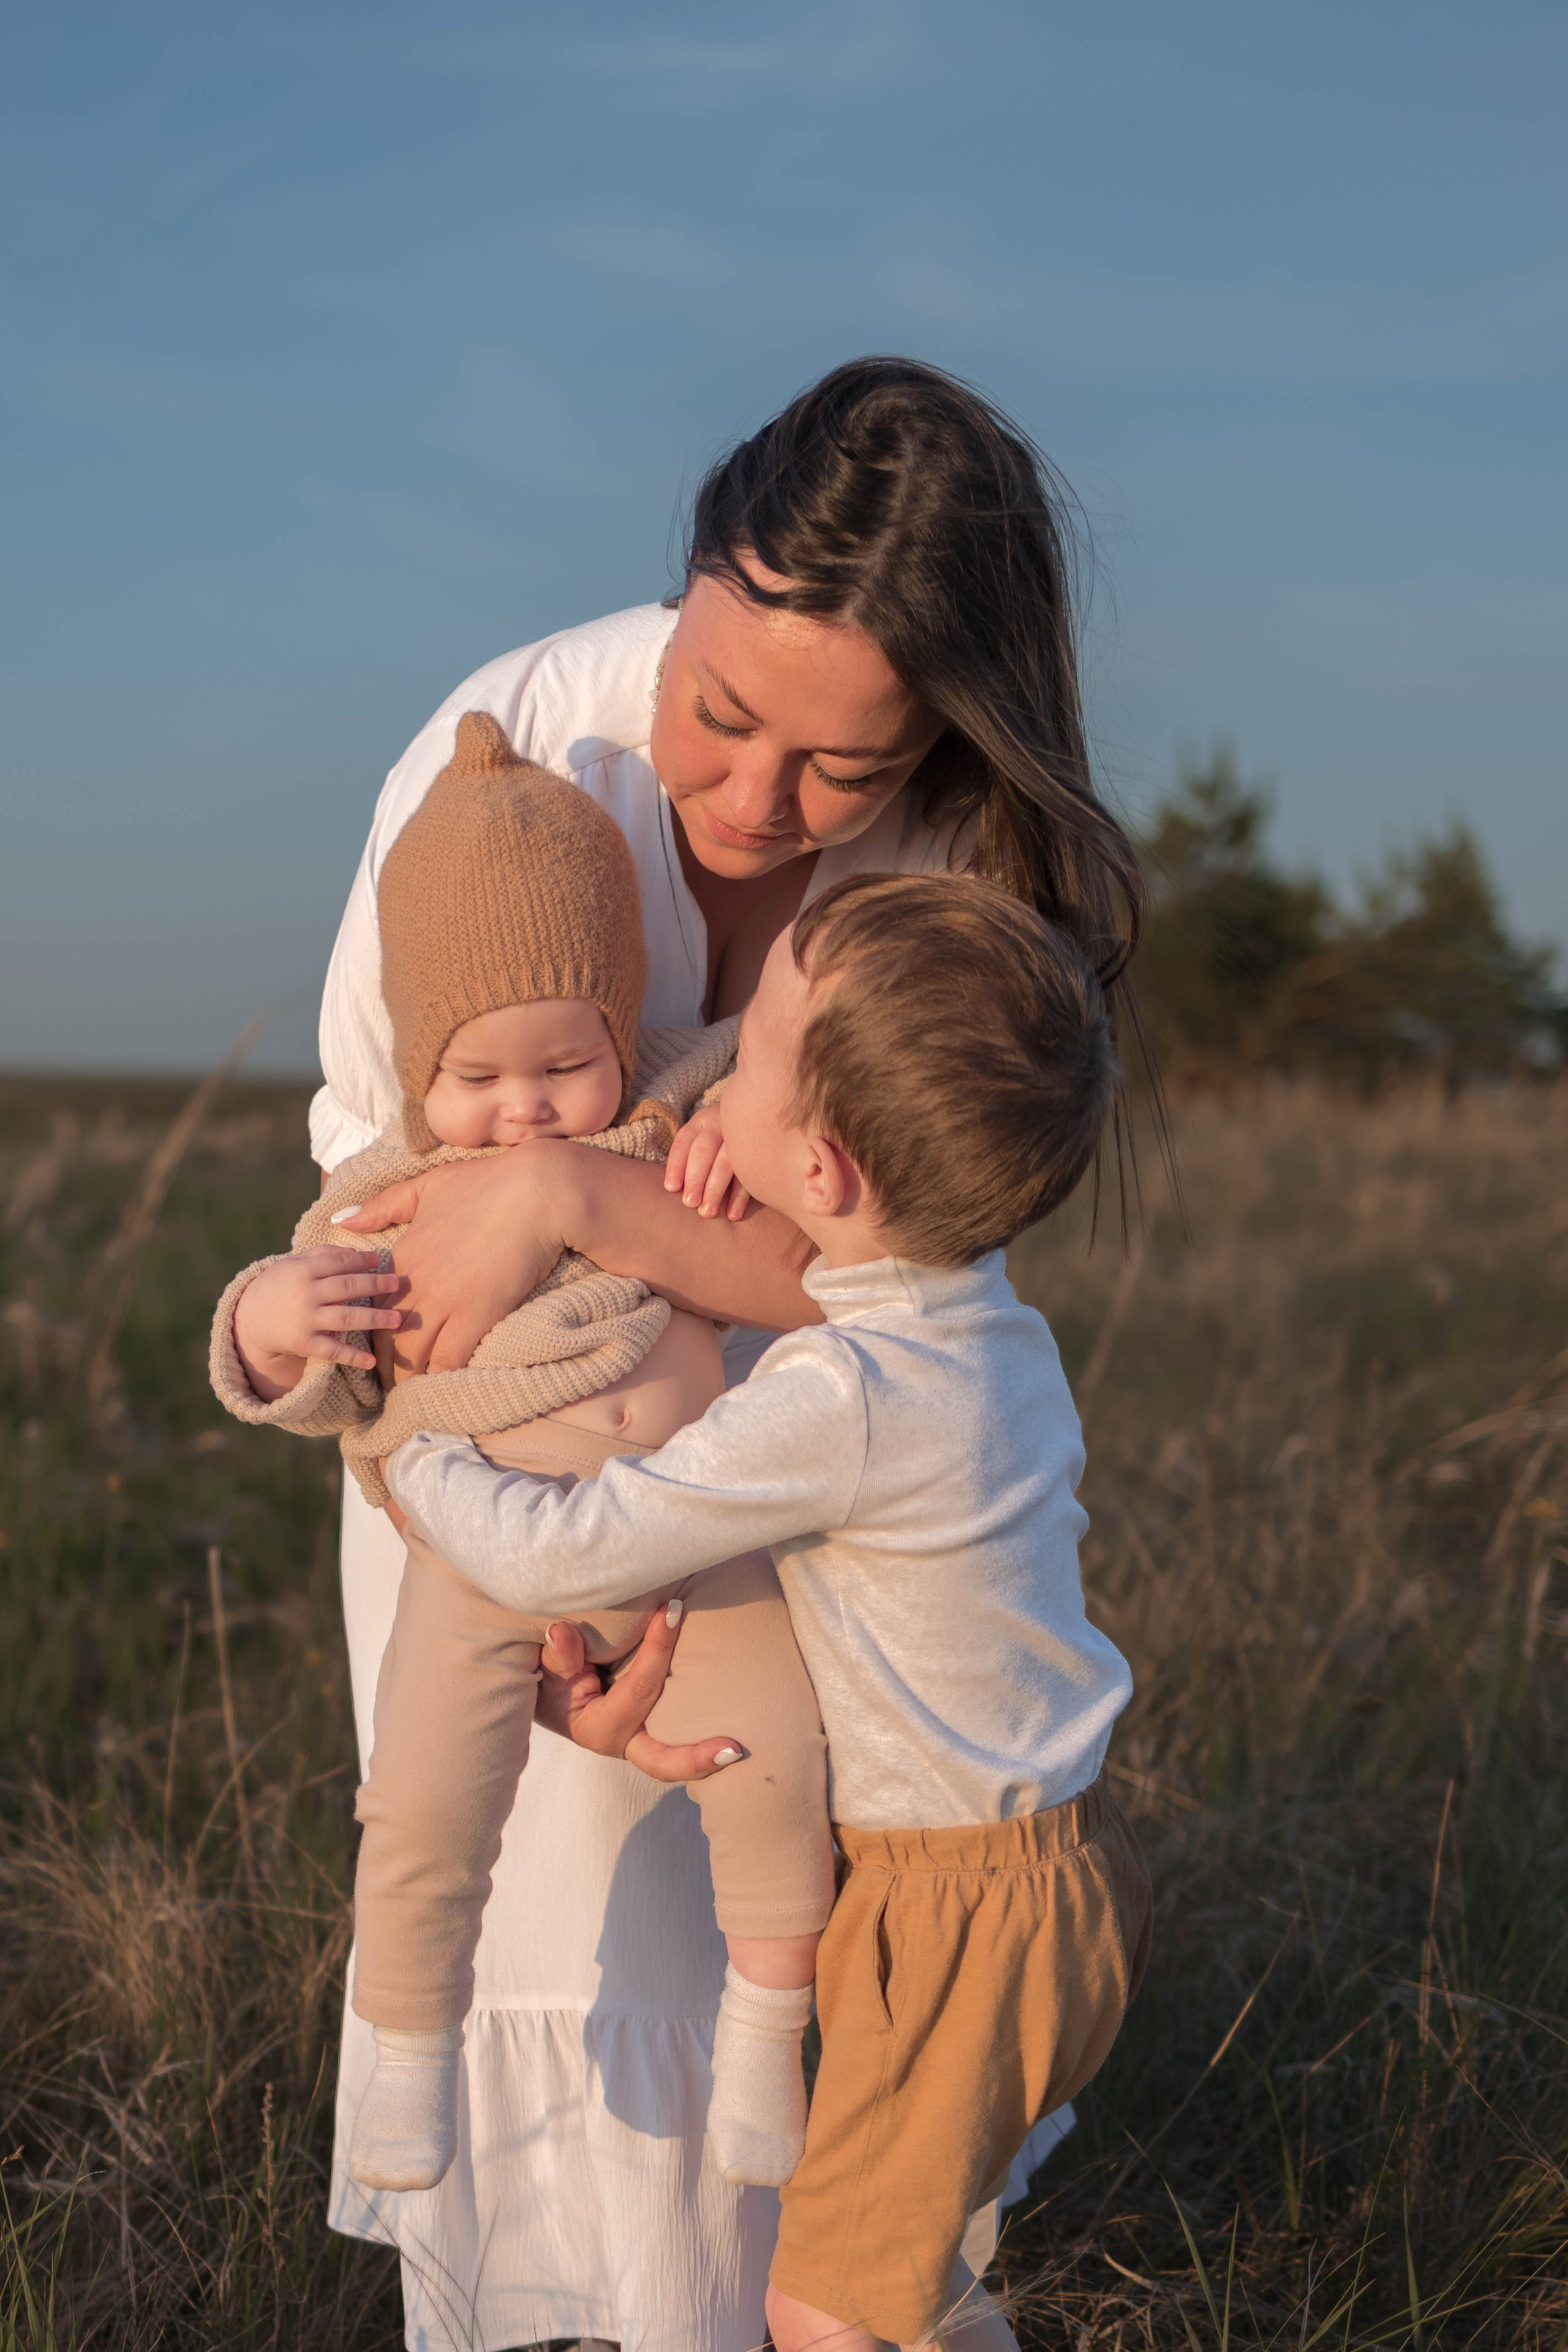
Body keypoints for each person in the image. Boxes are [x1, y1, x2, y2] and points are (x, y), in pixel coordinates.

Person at [316, 356, 1148, 2352]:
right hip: (496, 1478)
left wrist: (579, 1204)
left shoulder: (956, 883)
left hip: (801, 1527)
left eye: (839, 774)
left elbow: (907, 1295)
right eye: (722, 710)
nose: (753, 802)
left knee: (783, 2134)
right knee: (563, 2034)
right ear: (687, 584)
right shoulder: (502, 753)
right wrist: (536, 1555)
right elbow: (383, 1205)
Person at [383, 873, 1153, 2352]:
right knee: (900, 2287)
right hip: (1052, 1861)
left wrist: (425, 1454)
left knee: (816, 2315)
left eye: (748, 1058)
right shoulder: (988, 1318)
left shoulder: (839, 1399)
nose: (713, 1076)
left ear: (826, 1171)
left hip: (953, 1909)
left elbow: (572, 1553)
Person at [208, 715, 834, 2199]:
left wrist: (726, 1156)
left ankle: (763, 2036)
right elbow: (310, 1370)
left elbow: (794, 1195)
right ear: (420, 1065)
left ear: (623, 1027)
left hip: (691, 1531)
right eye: (477, 1076)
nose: (528, 1106)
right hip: (485, 1557)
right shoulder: (390, 1203)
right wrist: (274, 1320)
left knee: (778, 1767)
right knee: (421, 1807)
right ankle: (407, 2061)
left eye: (567, 1060)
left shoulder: (678, 1115)